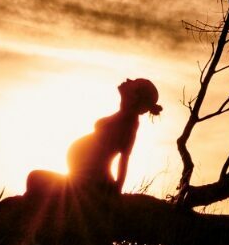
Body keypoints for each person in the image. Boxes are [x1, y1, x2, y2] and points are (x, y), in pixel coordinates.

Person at [25, 77, 161, 206]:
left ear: (134, 97)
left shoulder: (129, 123)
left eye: (134, 82)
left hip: (90, 180)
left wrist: (116, 191)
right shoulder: (123, 117)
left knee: (35, 178)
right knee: (34, 178)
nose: (128, 80)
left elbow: (124, 158)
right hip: (81, 178)